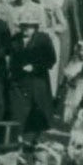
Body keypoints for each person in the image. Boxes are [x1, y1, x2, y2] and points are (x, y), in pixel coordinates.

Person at [7, 14, 57, 143]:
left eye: (29, 27)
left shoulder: (43, 39)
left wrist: (35, 67)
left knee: (37, 109)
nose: (26, 29)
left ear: (35, 27)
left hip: (37, 80)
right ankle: (17, 138)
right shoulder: (15, 39)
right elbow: (11, 58)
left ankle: (36, 139)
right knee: (17, 110)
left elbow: (51, 60)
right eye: (23, 26)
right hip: (19, 80)